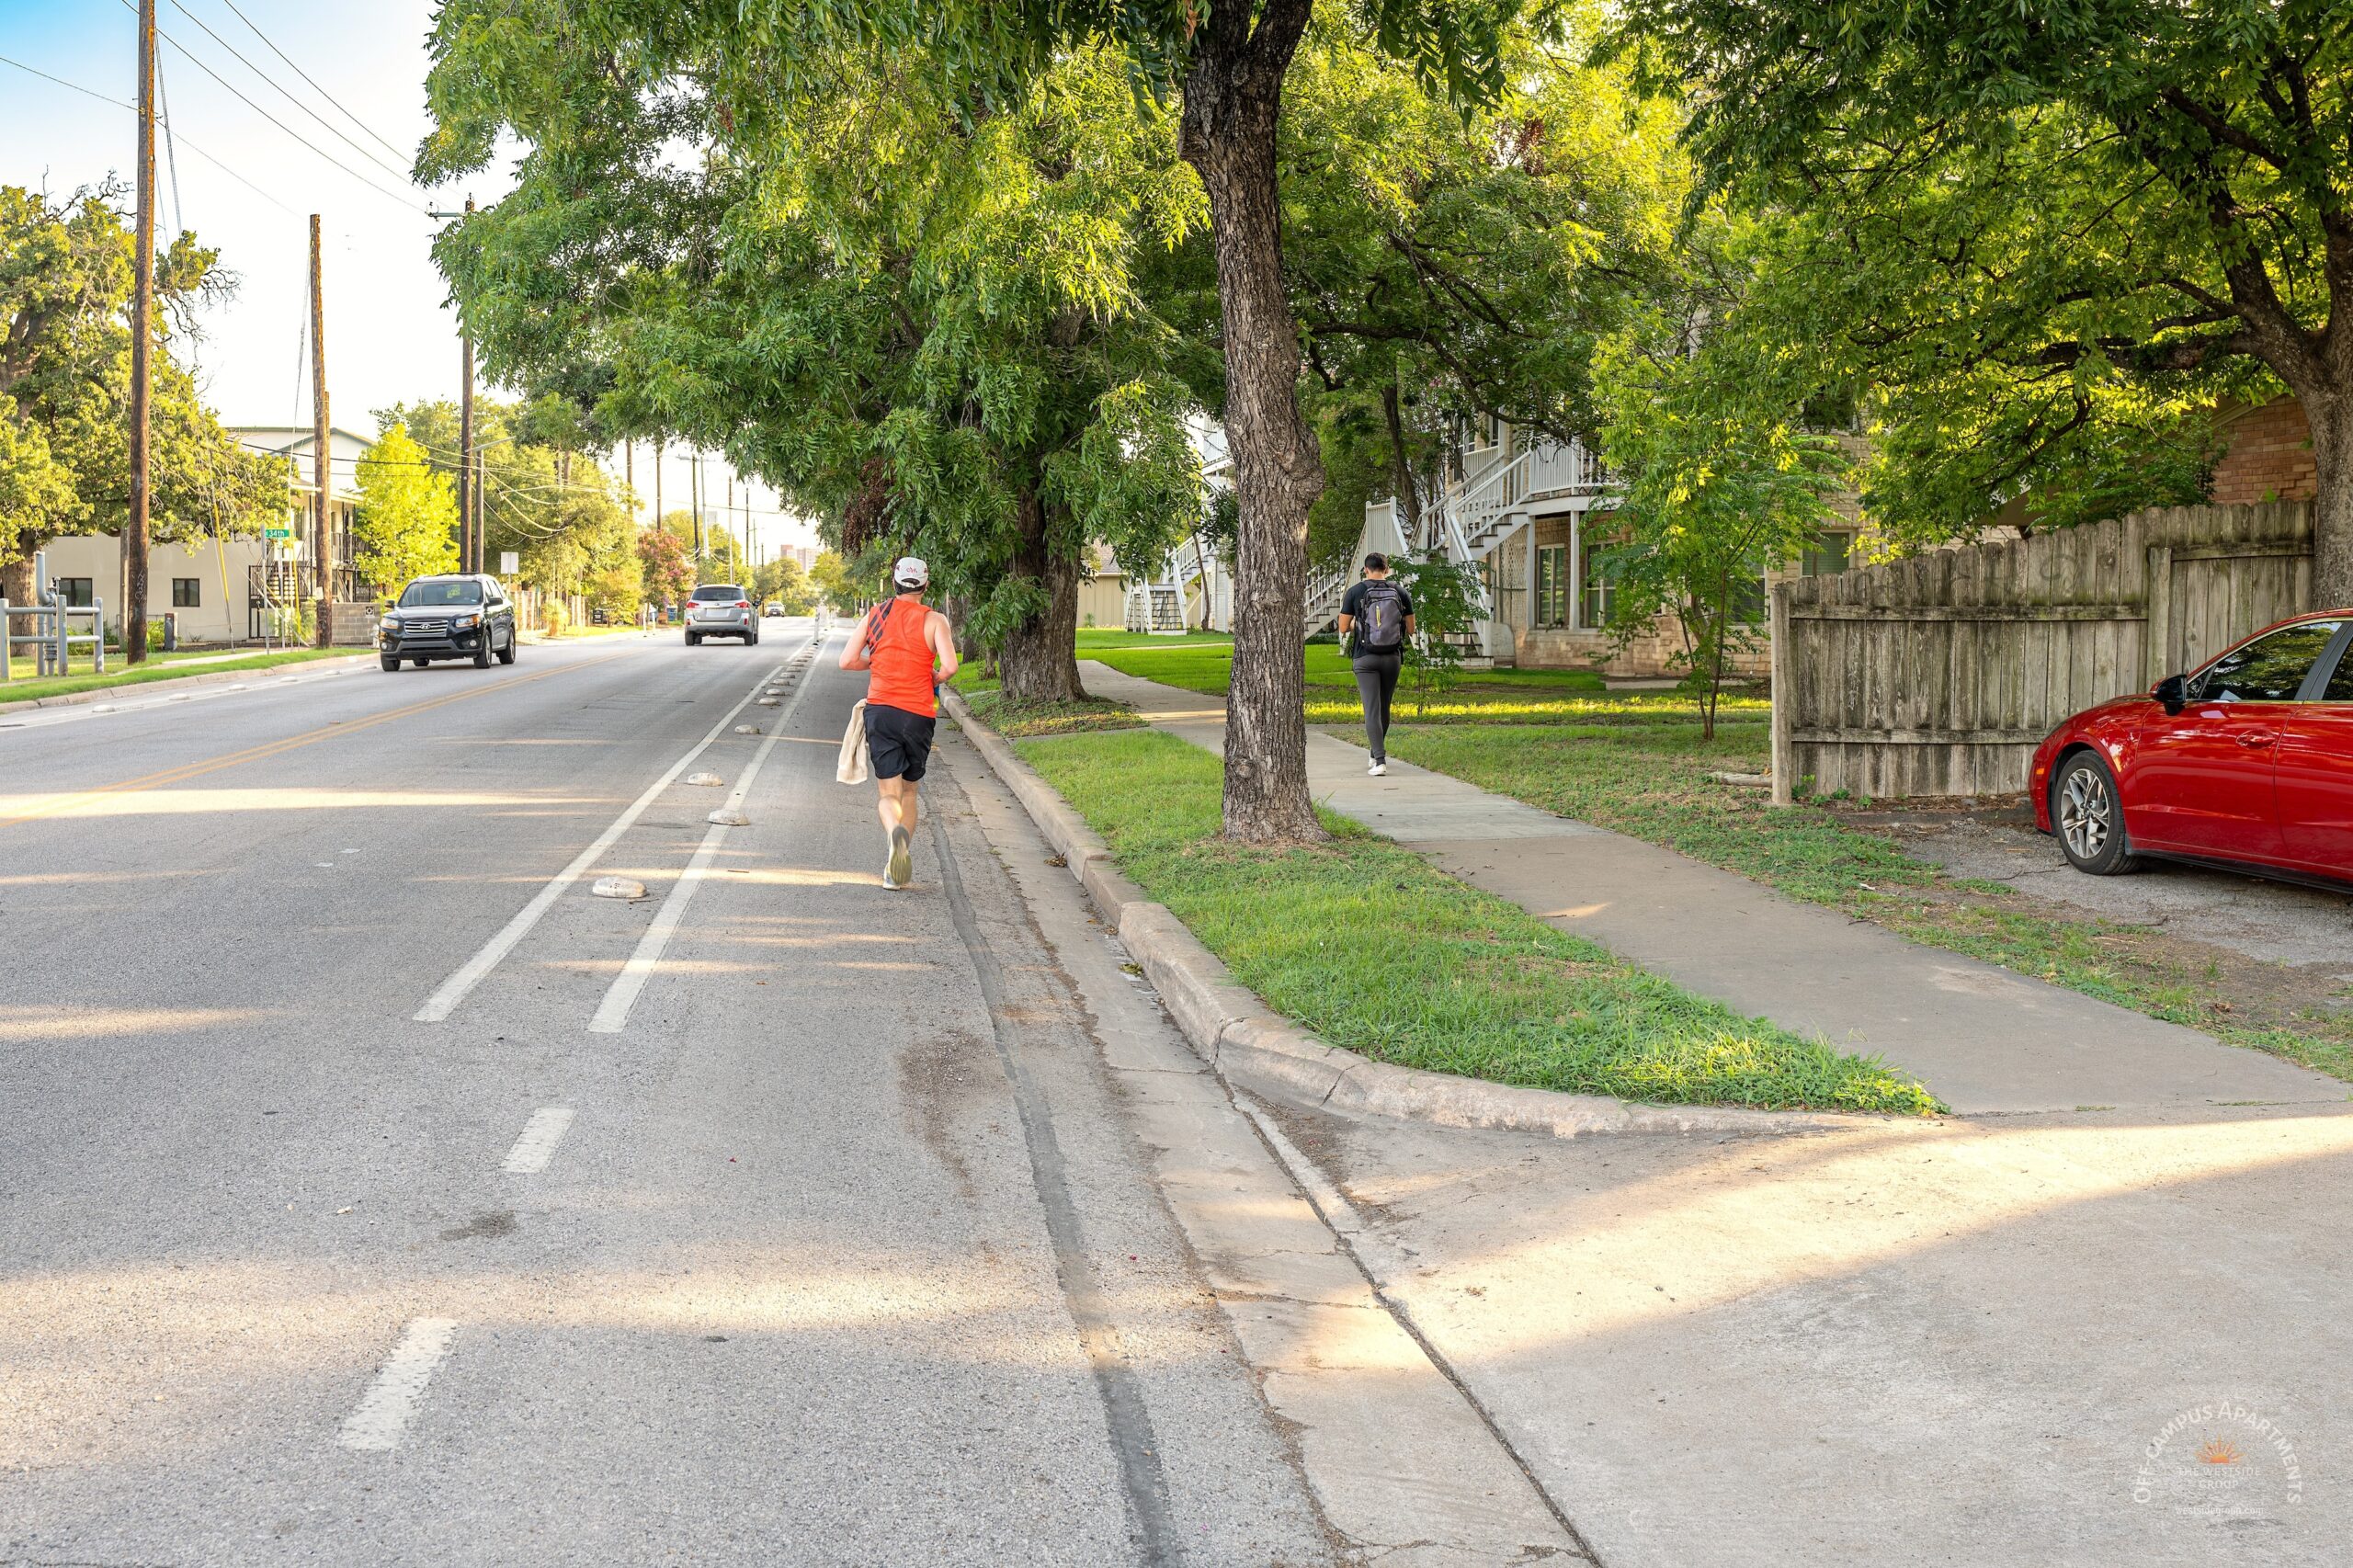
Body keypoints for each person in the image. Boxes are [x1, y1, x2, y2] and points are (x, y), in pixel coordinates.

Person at [838, 557, 960, 888]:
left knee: (887, 794)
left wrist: (875, 662)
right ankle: (898, 863)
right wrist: (930, 673)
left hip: (882, 711)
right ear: (925, 585)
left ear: (894, 583)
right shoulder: (935, 620)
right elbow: (950, 667)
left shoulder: (874, 616)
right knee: (910, 790)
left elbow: (847, 661)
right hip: (919, 714)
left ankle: (894, 837)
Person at [1335, 552, 1415, 776]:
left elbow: (1343, 627)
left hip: (1365, 657)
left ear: (1365, 570)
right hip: (1392, 658)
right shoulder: (1400, 592)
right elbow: (1410, 629)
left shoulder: (1356, 591)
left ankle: (1380, 761)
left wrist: (1362, 626)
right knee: (1383, 707)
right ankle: (1374, 753)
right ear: (1386, 570)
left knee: (1371, 710)